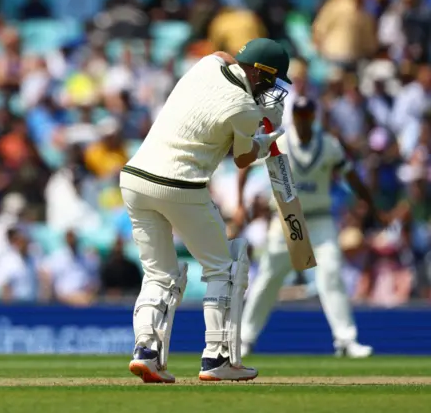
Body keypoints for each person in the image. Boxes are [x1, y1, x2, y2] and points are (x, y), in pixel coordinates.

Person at [119, 38, 290, 383]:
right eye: (271, 80)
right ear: (260, 73)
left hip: (134, 179)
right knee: (224, 267)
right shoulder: (244, 108)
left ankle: (146, 353)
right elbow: (243, 159)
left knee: (159, 273)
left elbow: (221, 54)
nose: (272, 88)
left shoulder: (206, 65)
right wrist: (266, 138)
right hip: (180, 184)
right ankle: (217, 359)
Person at [237, 96, 384, 358]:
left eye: (307, 116)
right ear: (293, 117)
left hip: (319, 219)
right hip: (286, 218)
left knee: (331, 274)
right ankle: (245, 339)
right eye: (299, 115)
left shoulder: (328, 145)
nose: (303, 121)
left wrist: (372, 208)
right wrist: (239, 203)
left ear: (313, 117)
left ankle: (345, 340)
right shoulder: (279, 140)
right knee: (269, 278)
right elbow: (245, 164)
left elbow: (351, 176)